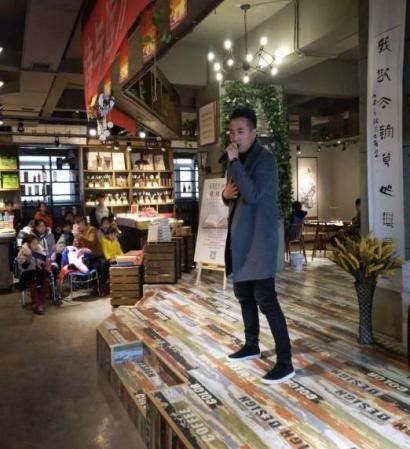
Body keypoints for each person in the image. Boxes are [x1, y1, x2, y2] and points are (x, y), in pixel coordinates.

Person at [222, 106, 295, 385]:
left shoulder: (265, 160)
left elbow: (251, 194)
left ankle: (285, 362)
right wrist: (225, 195)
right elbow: (234, 195)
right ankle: (251, 344)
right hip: (241, 239)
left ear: (253, 132)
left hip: (259, 242)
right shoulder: (237, 161)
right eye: (232, 132)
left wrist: (234, 163)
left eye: (240, 131)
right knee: (244, 295)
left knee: (267, 300)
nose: (235, 137)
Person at [17, 235, 50, 315]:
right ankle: (35, 303)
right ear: (29, 244)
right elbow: (24, 267)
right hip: (26, 273)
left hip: (37, 272)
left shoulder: (39, 250)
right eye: (33, 244)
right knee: (33, 280)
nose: (36, 245)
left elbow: (42, 263)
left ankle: (40, 302)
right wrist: (29, 258)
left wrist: (44, 261)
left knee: (47, 280)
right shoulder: (23, 251)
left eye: (37, 243)